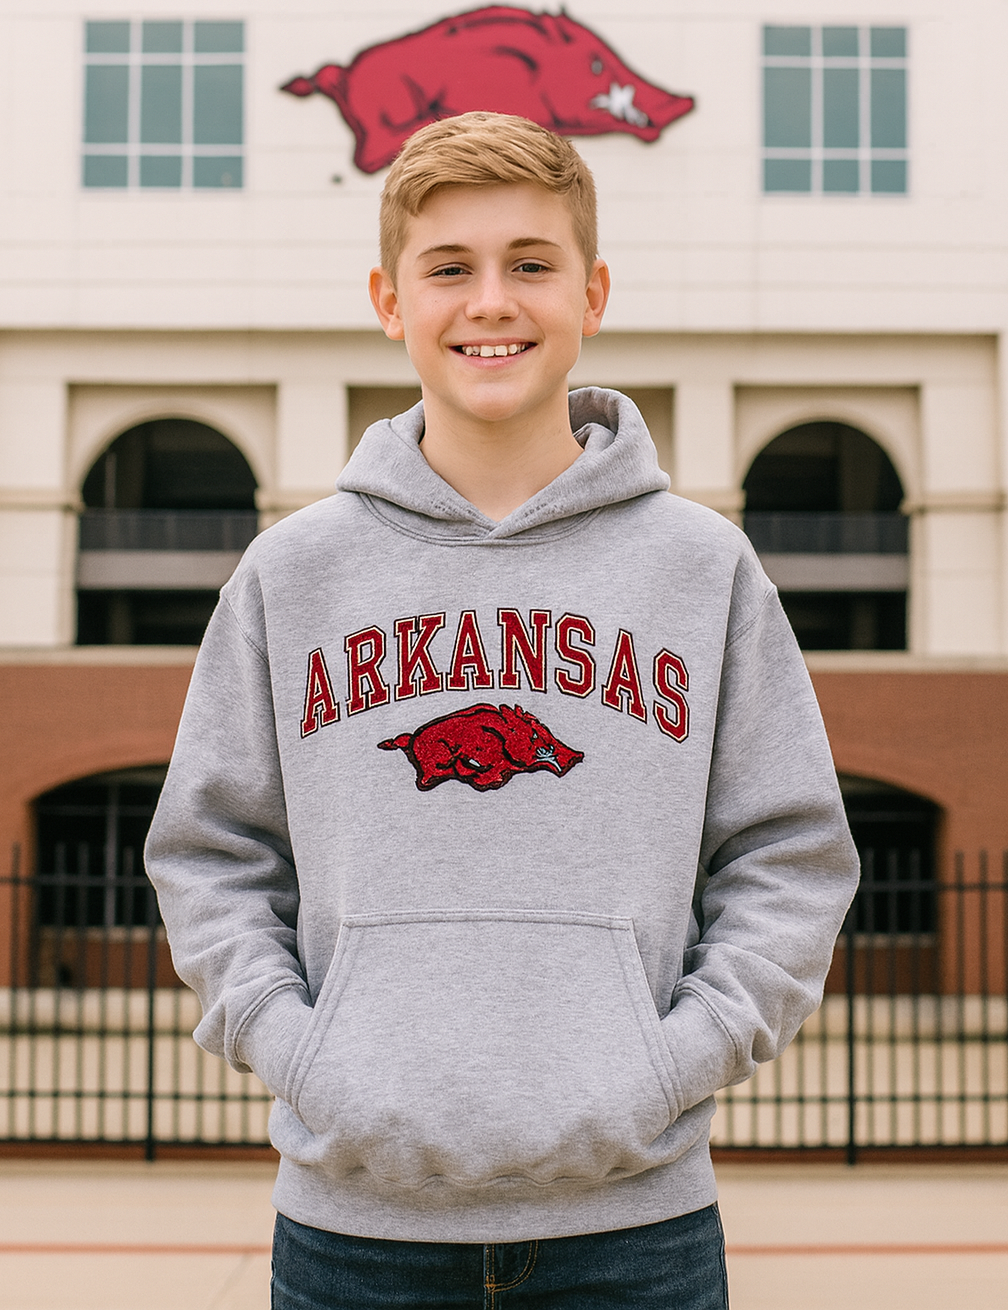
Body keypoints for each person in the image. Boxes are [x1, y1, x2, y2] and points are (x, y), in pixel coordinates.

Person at [145, 111, 859, 1309]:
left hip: (635, 1236)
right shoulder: (294, 572)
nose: (491, 302)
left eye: (531, 263)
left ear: (593, 294)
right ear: (389, 302)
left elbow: (788, 856)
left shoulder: (701, 568)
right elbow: (210, 855)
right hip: (353, 1236)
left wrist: (667, 1065)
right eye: (449, 269)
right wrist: (306, 1055)